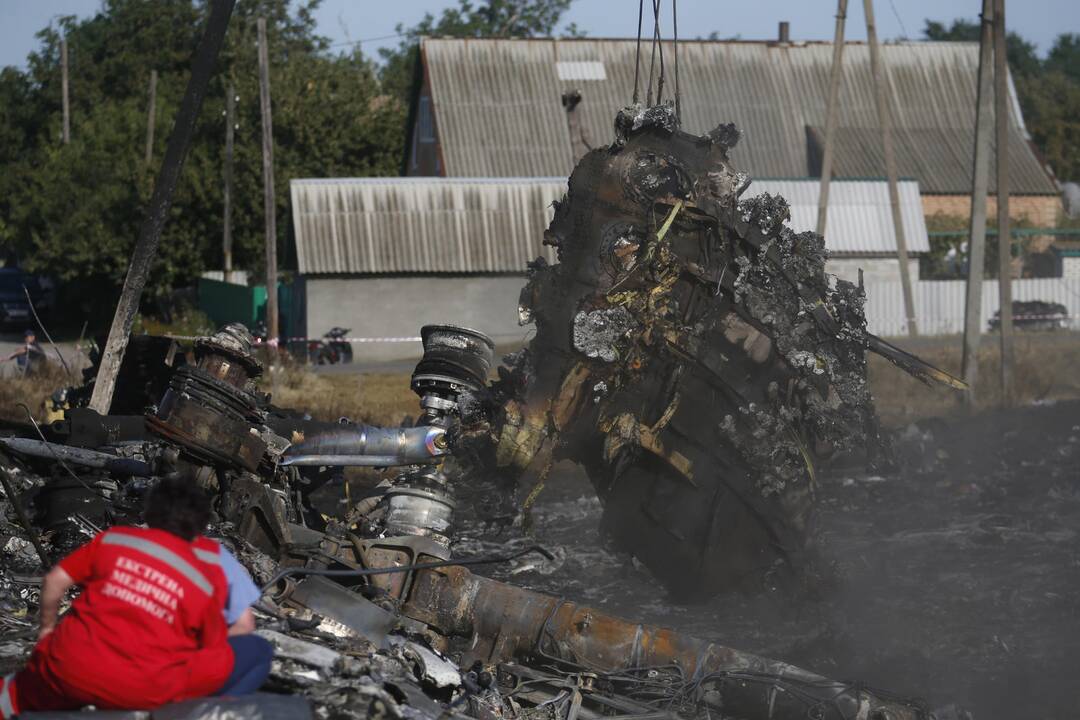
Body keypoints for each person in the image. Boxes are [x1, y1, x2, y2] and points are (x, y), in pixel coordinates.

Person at [0, 478, 273, 717]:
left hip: (68, 666)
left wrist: (47, 632)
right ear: (200, 525)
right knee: (256, 652)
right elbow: (215, 646)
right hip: (143, 691)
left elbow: (54, 580)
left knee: (18, 692)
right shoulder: (208, 575)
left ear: (150, 512)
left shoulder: (117, 539)